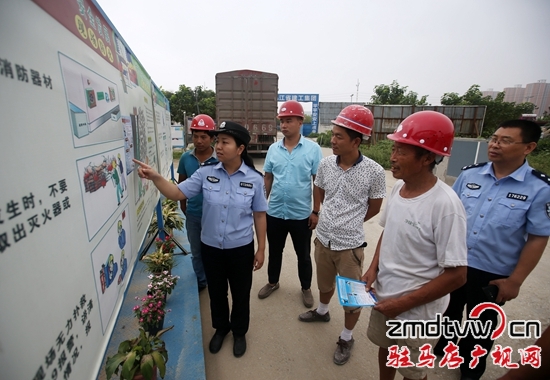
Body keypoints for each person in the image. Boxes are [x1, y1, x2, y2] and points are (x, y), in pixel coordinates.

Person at [133, 121, 267, 358]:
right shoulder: (206, 173)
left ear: (240, 149)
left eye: (225, 142)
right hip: (211, 247)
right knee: (216, 292)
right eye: (218, 141)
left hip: (240, 249)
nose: (219, 146)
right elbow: (177, 193)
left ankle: (238, 332)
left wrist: (261, 249)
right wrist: (155, 177)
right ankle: (221, 328)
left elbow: (259, 215)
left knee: (240, 292)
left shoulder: (255, 179)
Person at [434, 119, 550, 380]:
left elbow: (537, 238)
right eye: (494, 138)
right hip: (456, 262)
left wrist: (516, 281)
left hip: (493, 272)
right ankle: (446, 346)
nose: (495, 144)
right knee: (449, 309)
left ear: (528, 147)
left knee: (481, 326)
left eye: (505, 140)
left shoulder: (539, 188)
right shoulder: (469, 174)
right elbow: (449, 216)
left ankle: (470, 368)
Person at [362, 111, 468, 380]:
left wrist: (401, 304)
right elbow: (389, 232)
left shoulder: (445, 206)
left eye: (401, 151)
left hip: (418, 315)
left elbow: (457, 276)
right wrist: (373, 269)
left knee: (411, 369)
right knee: (385, 350)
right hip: (384, 299)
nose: (392, 157)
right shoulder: (398, 188)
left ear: (427, 158)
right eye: (394, 148)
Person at [298, 105, 386, 365]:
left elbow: (375, 206)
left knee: (351, 297)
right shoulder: (326, 164)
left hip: (350, 246)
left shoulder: (375, 172)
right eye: (333, 135)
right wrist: (321, 214)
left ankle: (347, 337)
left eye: (338, 137)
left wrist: (350, 222)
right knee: (324, 284)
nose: (332, 140)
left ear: (356, 141)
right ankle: (323, 311)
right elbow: (320, 189)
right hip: (323, 239)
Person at [257, 100, 323, 308]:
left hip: (301, 214)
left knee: (303, 254)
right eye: (282, 121)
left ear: (300, 122)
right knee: (274, 251)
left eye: (289, 120)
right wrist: (262, 205)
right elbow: (267, 178)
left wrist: (315, 211)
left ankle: (305, 288)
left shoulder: (312, 149)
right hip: (275, 211)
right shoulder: (273, 149)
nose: (284, 125)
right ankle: (273, 282)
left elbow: (317, 183)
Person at [177, 114, 217, 292]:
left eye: (203, 137)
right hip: (193, 214)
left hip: (215, 215)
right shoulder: (186, 158)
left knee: (214, 251)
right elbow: (181, 184)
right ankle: (201, 281)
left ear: (212, 138)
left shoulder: (220, 159)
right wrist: (183, 205)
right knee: (196, 251)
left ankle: (215, 278)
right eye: (195, 136)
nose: (199, 141)